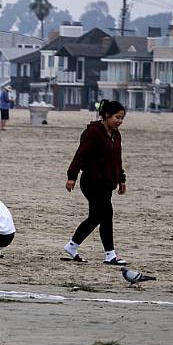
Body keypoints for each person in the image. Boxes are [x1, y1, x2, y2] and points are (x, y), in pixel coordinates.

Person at [63, 99, 128, 265]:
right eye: (117, 117)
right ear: (107, 115)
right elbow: (80, 155)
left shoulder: (116, 134)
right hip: (92, 181)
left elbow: (117, 160)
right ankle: (110, 254)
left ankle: (72, 246)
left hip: (107, 183)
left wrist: (121, 179)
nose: (119, 121)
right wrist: (72, 176)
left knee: (96, 217)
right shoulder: (93, 132)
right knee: (106, 214)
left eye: (121, 118)